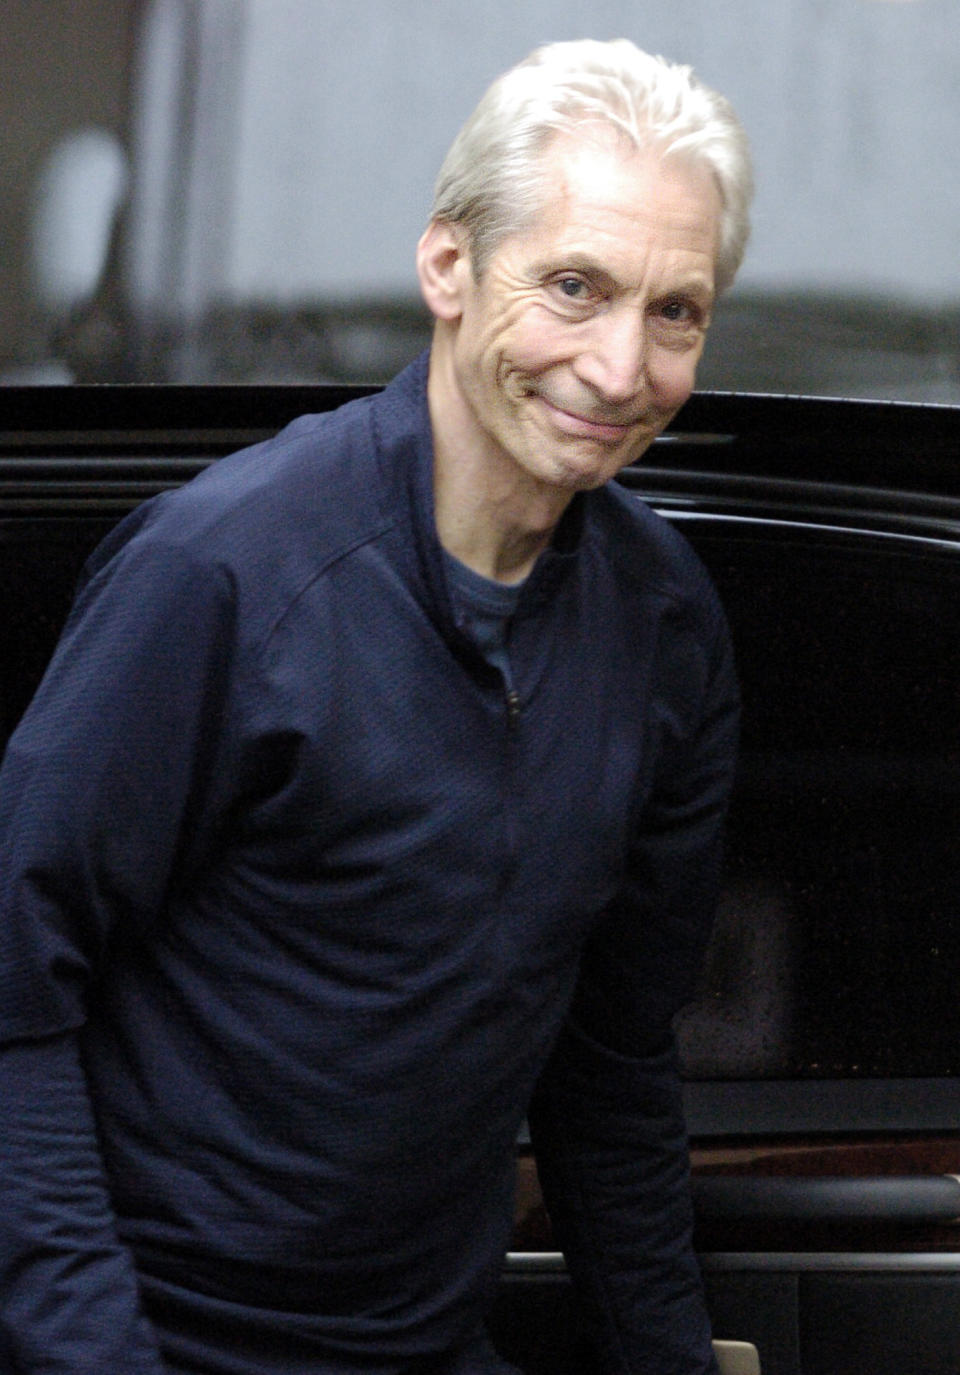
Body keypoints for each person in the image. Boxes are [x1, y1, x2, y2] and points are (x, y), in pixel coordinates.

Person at [0, 37, 752, 1375]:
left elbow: (614, 1055)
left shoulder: (666, 624)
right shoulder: (223, 572)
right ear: (448, 268)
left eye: (676, 311)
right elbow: (12, 982)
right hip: (154, 1342)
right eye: (574, 287)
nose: (622, 368)